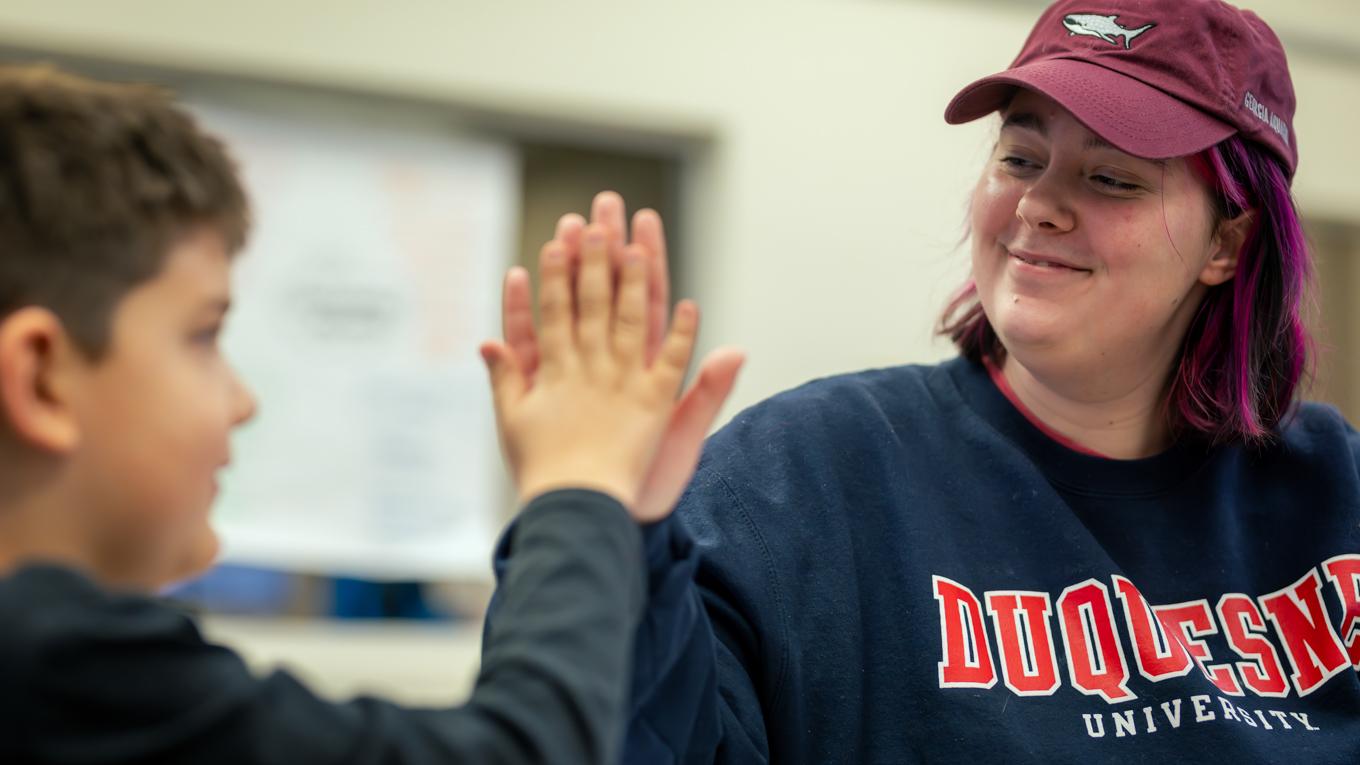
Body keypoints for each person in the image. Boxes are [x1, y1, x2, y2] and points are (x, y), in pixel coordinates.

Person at [497, 0, 1360, 761]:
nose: (1037, 205)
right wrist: (604, 529)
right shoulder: (794, 480)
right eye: (1021, 158)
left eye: (1110, 178)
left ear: (1228, 245)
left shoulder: (1333, 489)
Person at [0, 65, 743, 764]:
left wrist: (616, 523)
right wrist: (577, 486)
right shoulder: (55, 662)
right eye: (203, 335)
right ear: (41, 379)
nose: (241, 399)